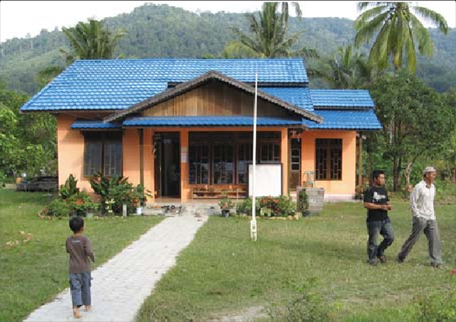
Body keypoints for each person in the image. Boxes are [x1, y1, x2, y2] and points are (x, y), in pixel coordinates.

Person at [397, 166, 442, 268]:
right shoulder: (419, 187)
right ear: (426, 175)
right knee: (414, 238)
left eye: (434, 174)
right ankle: (401, 256)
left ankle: (436, 261)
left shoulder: (433, 187)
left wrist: (433, 215)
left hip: (431, 217)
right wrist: (417, 215)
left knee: (435, 239)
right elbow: (412, 202)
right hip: (420, 217)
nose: (434, 176)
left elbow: (431, 203)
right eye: (432, 174)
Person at [363, 170, 395, 265]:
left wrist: (389, 205)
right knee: (373, 241)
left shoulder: (383, 190)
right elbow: (366, 204)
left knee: (390, 237)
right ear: (375, 179)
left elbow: (387, 201)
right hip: (374, 220)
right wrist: (381, 206)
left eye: (383, 178)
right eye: (381, 178)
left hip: (385, 219)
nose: (383, 180)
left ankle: (380, 251)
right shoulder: (370, 191)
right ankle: (372, 259)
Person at [66, 216, 95, 318]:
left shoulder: (69, 240)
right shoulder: (85, 239)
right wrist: (93, 258)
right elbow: (89, 252)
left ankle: (75, 308)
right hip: (84, 268)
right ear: (82, 228)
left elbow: (68, 250)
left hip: (73, 269)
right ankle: (87, 305)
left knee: (75, 288)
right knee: (86, 286)